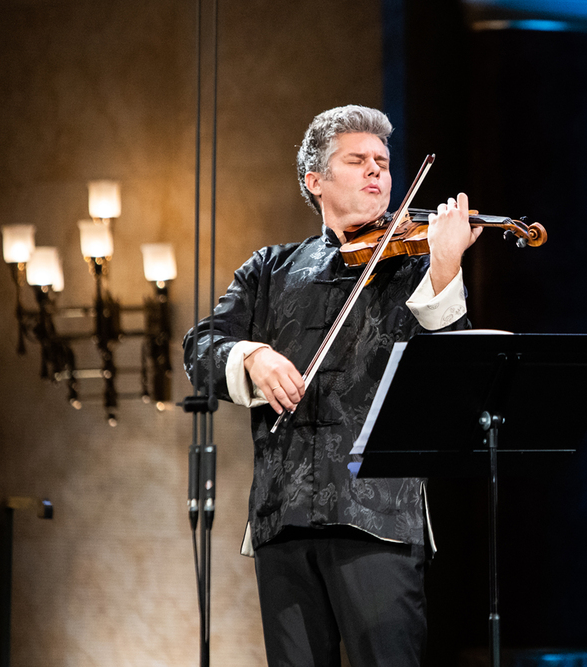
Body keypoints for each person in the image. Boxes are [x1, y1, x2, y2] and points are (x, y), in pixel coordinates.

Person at [183, 104, 481, 667]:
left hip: (379, 522)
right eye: (358, 160)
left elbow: (456, 376)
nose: (376, 172)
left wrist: (445, 271)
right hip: (282, 518)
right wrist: (253, 356)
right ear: (314, 180)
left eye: (384, 163)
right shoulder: (269, 270)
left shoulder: (414, 266)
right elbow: (199, 347)